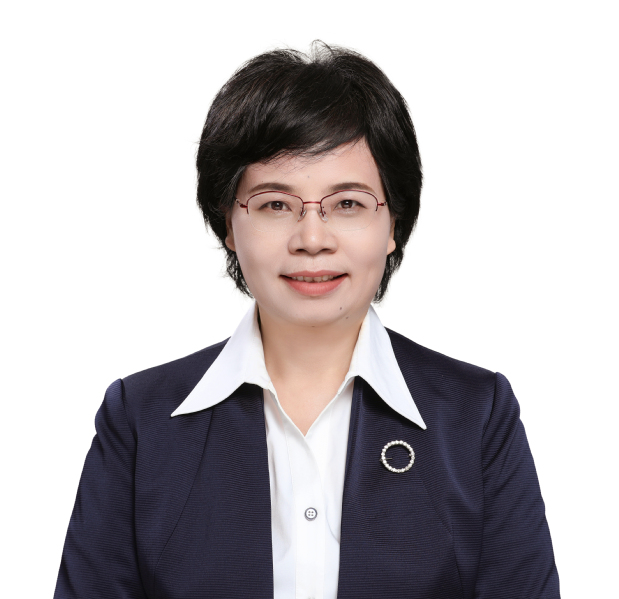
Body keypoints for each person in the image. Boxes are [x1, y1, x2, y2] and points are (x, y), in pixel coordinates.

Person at [53, 42, 561, 599]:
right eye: (275, 204)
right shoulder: (140, 420)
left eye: (348, 204)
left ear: (393, 223)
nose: (312, 239)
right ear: (229, 223)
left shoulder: (476, 416)